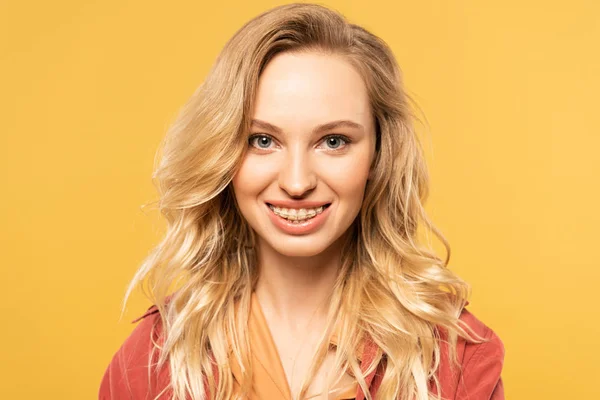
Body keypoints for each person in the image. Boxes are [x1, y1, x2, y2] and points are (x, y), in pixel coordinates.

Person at [99, 3, 504, 400]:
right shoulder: (152, 361)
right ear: (223, 153)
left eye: (333, 141)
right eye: (263, 140)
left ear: (379, 154)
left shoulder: (457, 358)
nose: (297, 182)